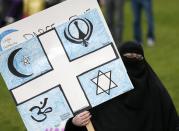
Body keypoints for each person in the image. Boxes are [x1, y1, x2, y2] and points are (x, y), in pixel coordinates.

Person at [65, 41, 178, 131]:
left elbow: (172, 124)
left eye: (137, 58)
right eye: (128, 57)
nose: (133, 61)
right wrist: (74, 123)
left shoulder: (156, 92)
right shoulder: (104, 90)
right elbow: (84, 121)